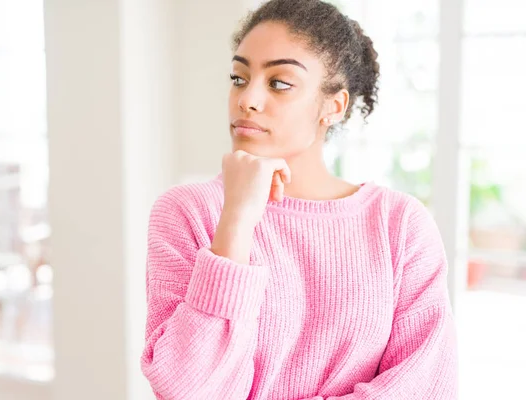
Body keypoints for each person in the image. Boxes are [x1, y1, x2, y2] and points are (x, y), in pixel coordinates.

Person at [140, 0, 458, 399]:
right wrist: (235, 222)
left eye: (278, 83)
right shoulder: (187, 212)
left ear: (333, 105)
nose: (248, 99)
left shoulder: (400, 225)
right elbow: (187, 389)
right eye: (239, 77)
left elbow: (426, 387)